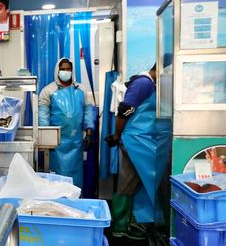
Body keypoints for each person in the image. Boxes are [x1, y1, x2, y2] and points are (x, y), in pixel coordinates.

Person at [105, 64, 172, 236]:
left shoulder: (152, 85)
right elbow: (125, 110)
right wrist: (116, 135)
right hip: (135, 142)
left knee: (136, 180)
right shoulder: (143, 84)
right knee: (129, 181)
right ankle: (120, 226)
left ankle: (145, 222)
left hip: (146, 141)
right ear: (159, 70)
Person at [38, 58, 95, 188]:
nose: (65, 71)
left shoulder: (81, 89)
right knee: (57, 179)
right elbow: (43, 118)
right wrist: (45, 141)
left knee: (76, 178)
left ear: (72, 70)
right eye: (62, 69)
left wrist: (89, 132)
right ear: (57, 71)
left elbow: (88, 111)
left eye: (68, 69)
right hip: (56, 145)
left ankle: (76, 201)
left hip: (76, 142)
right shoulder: (48, 91)